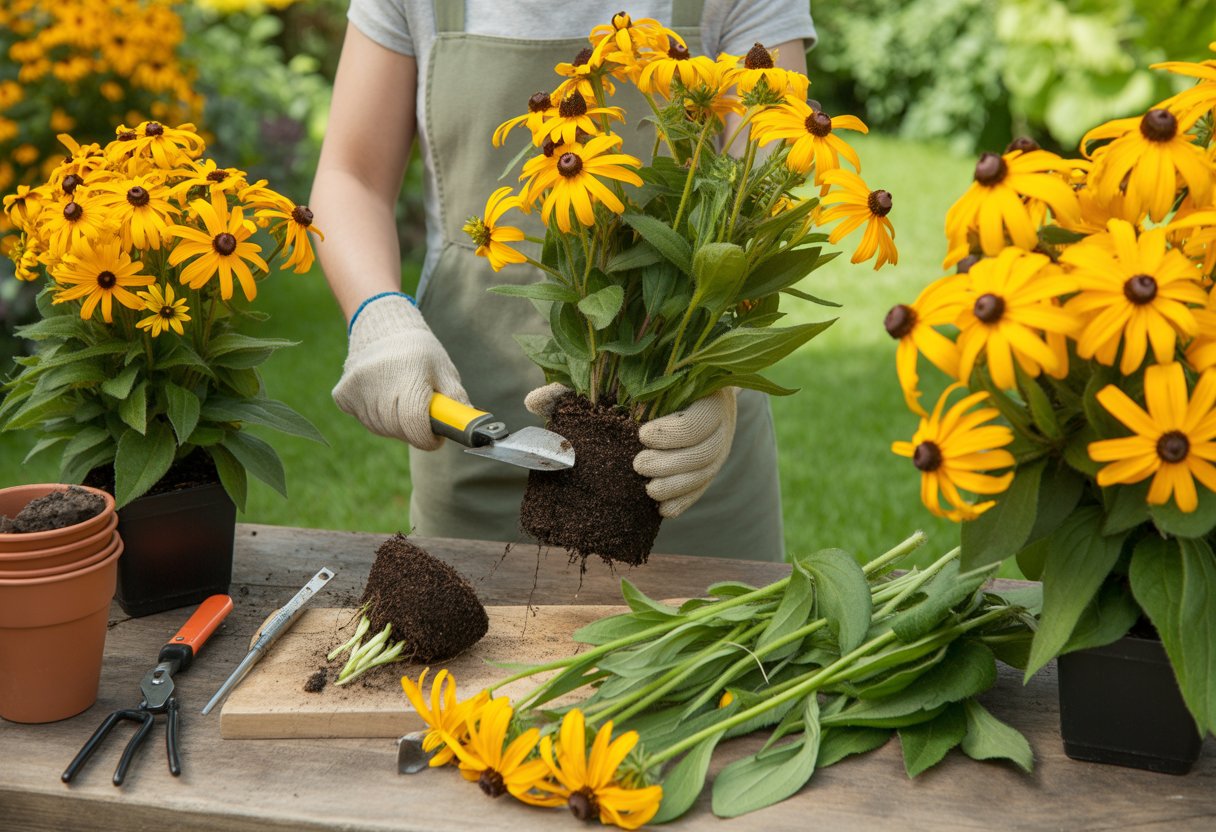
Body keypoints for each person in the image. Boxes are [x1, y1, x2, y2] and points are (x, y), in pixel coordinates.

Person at [311, 1, 818, 562]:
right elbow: (350, 175)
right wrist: (380, 318)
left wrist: (714, 381)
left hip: (683, 454)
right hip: (473, 427)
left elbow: (760, 198)